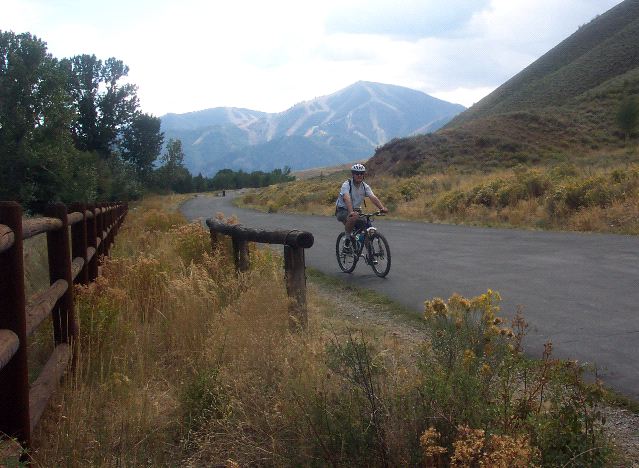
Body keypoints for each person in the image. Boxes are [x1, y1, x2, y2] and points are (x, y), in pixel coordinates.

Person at [335, 163, 388, 240]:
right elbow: (347, 198)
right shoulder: (347, 184)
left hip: (356, 210)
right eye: (357, 173)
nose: (359, 175)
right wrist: (351, 212)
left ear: (363, 175)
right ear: (353, 174)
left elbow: (373, 197)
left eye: (361, 173)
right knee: (353, 218)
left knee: (369, 230)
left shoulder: (365, 186)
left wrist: (382, 208)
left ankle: (369, 250)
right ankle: (347, 240)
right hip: (342, 210)